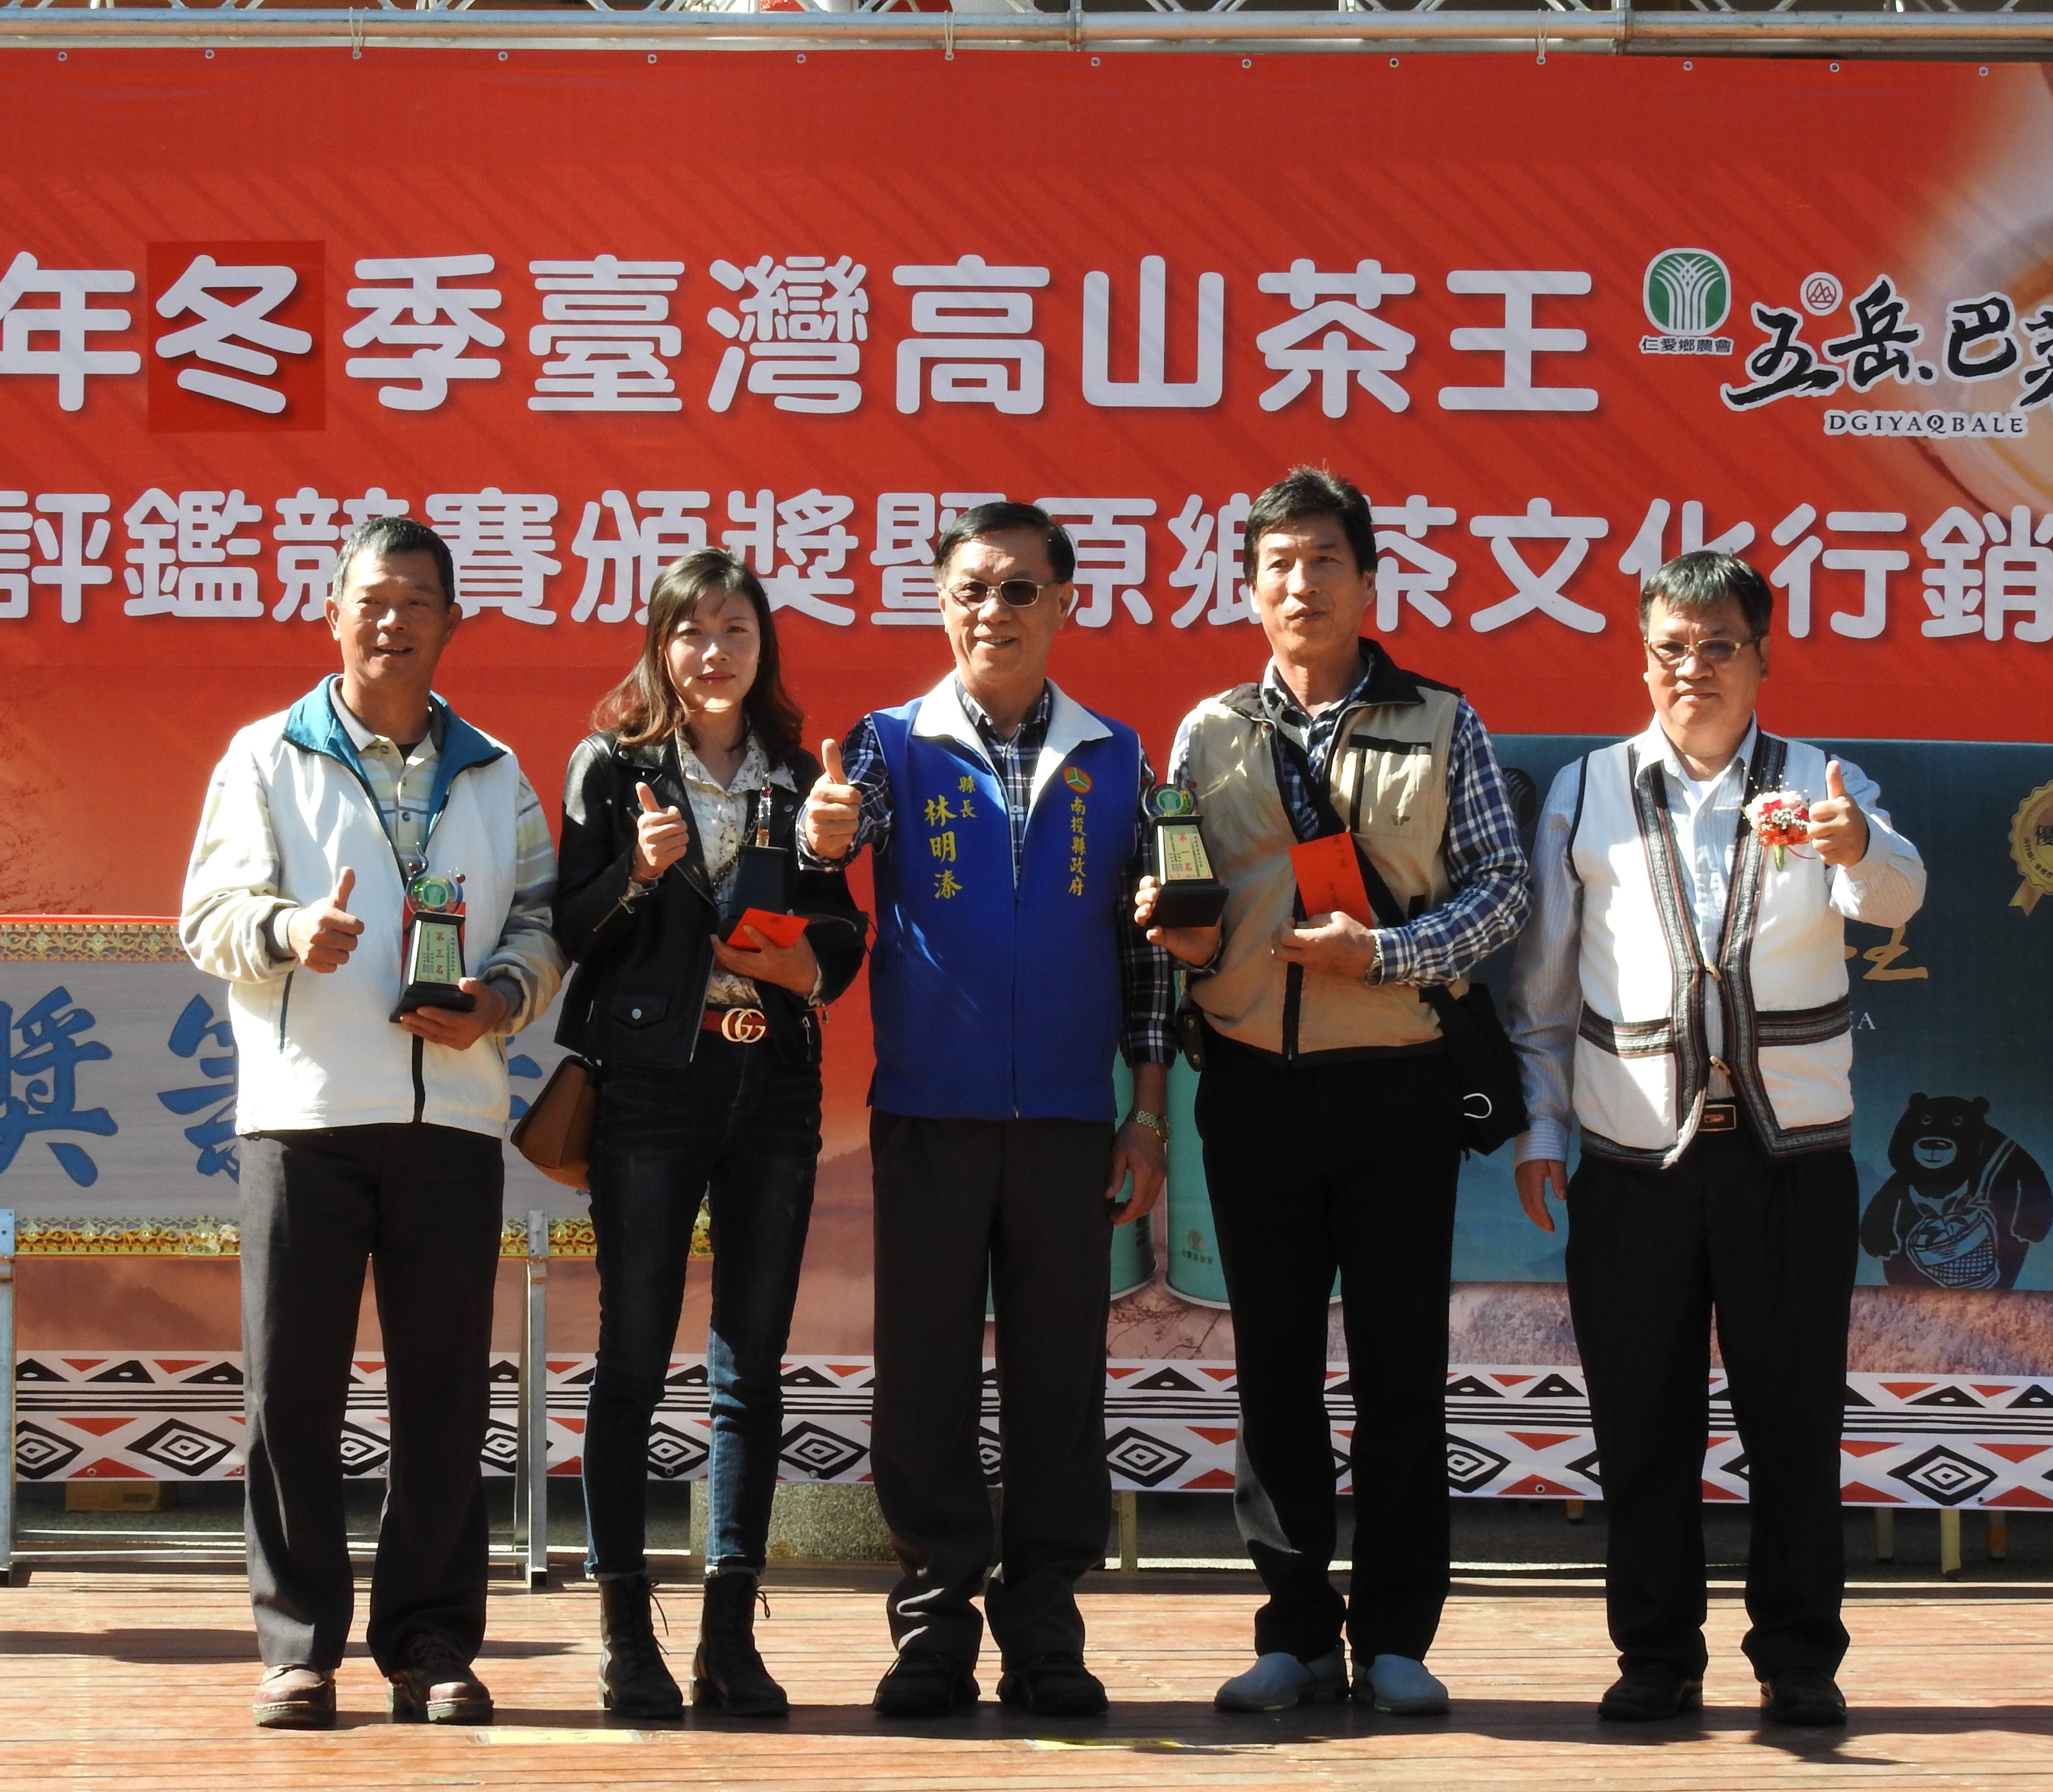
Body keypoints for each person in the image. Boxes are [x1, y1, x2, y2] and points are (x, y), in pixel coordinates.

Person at [1506, 549, 1925, 1727]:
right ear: (1645, 661)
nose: (1693, 669)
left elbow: (1898, 896)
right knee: (1641, 1418)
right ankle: (1655, 1658)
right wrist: (1544, 1130)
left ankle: (1799, 1661)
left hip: (1791, 1158)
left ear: (1762, 656)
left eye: (1718, 645)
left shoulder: (1822, 782)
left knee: (1793, 1418)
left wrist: (1857, 850)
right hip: (1635, 1157)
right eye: (1671, 649)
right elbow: (1542, 988)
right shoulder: (1587, 790)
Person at [1136, 466, 1529, 1719]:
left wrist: (1386, 956)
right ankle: (1296, 1632)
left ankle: (1400, 1636)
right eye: (1277, 565)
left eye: (1324, 562)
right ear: (1248, 589)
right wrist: (1179, 939)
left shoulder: (1444, 723)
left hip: (1398, 1088)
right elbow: (1184, 904)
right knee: (1275, 1377)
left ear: (1368, 582)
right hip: (1252, 1091)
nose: (1300, 584)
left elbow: (1503, 892)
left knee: (1402, 1373)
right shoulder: (1204, 734)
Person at [180, 514, 565, 1730]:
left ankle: (434, 1643)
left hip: (453, 1115)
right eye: (373, 600)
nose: (393, 621)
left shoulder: (499, 773)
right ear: (332, 615)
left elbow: (545, 923)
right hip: (303, 1117)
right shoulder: (263, 757)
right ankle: (298, 1647)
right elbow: (205, 917)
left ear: (454, 623)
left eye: (418, 602)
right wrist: (291, 931)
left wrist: (504, 996)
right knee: (292, 1388)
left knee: (444, 1390)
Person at [800, 501, 1172, 1720]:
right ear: (940, 602)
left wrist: (1148, 1108)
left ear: (1066, 605)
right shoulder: (890, 745)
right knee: (924, 1378)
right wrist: (820, 838)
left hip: (1072, 1115)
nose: (993, 612)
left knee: (1061, 1378)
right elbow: (822, 871)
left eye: (1021, 591)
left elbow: (1150, 958)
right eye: (971, 589)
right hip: (929, 1110)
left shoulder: (1118, 759)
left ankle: (1047, 1629)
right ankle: (932, 1627)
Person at [551, 549, 867, 1719]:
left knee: (751, 1366)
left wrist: (817, 915)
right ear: (661, 647)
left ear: (762, 648)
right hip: (650, 1087)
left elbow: (841, 940)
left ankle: (731, 1635)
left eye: (737, 631)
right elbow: (573, 929)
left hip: (774, 1090)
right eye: (693, 633)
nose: (715, 653)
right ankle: (626, 1631)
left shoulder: (799, 778)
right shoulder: (614, 768)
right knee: (633, 1356)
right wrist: (637, 876)